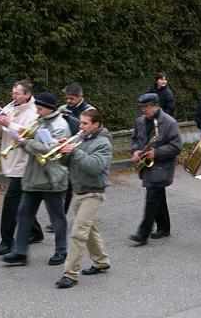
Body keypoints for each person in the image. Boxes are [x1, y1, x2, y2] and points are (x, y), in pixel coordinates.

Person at [1, 92, 71, 266]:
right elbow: (34, 143)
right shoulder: (40, 121)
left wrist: (24, 142)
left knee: (57, 218)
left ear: (49, 108)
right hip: (33, 177)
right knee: (24, 214)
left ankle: (61, 251)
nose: (37, 111)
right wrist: (23, 140)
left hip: (52, 179)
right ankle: (20, 252)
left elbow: (47, 150)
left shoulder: (60, 125)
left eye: (40, 108)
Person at [55, 109, 112, 289]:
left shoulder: (104, 143)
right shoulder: (81, 138)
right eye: (80, 123)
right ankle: (101, 261)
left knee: (78, 232)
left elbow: (95, 166)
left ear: (96, 124)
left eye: (85, 123)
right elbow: (66, 163)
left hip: (94, 192)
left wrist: (75, 151)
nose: (80, 126)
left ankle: (70, 274)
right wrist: (63, 151)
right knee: (89, 229)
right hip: (78, 191)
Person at [0, 80, 43, 256]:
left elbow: (30, 132)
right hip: (12, 159)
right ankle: (35, 232)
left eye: (17, 94)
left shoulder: (35, 111)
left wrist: (8, 122)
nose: (13, 97)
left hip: (25, 162)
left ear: (27, 94)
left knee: (10, 203)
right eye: (13, 94)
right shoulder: (11, 107)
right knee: (23, 201)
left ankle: (6, 241)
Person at [129, 93, 182, 245]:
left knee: (152, 197)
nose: (143, 110)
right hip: (147, 166)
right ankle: (164, 227)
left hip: (161, 166)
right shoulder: (140, 121)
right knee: (158, 195)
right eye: (142, 107)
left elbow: (177, 146)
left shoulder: (169, 122)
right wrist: (135, 151)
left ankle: (143, 233)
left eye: (146, 107)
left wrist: (156, 152)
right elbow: (134, 139)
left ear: (155, 105)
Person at [58, 83, 96, 225]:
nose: (68, 101)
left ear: (80, 97)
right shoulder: (63, 109)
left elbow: (93, 131)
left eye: (72, 98)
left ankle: (86, 214)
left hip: (83, 150)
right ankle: (61, 217)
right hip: (68, 150)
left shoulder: (90, 110)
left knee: (85, 185)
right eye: (67, 98)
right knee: (66, 185)